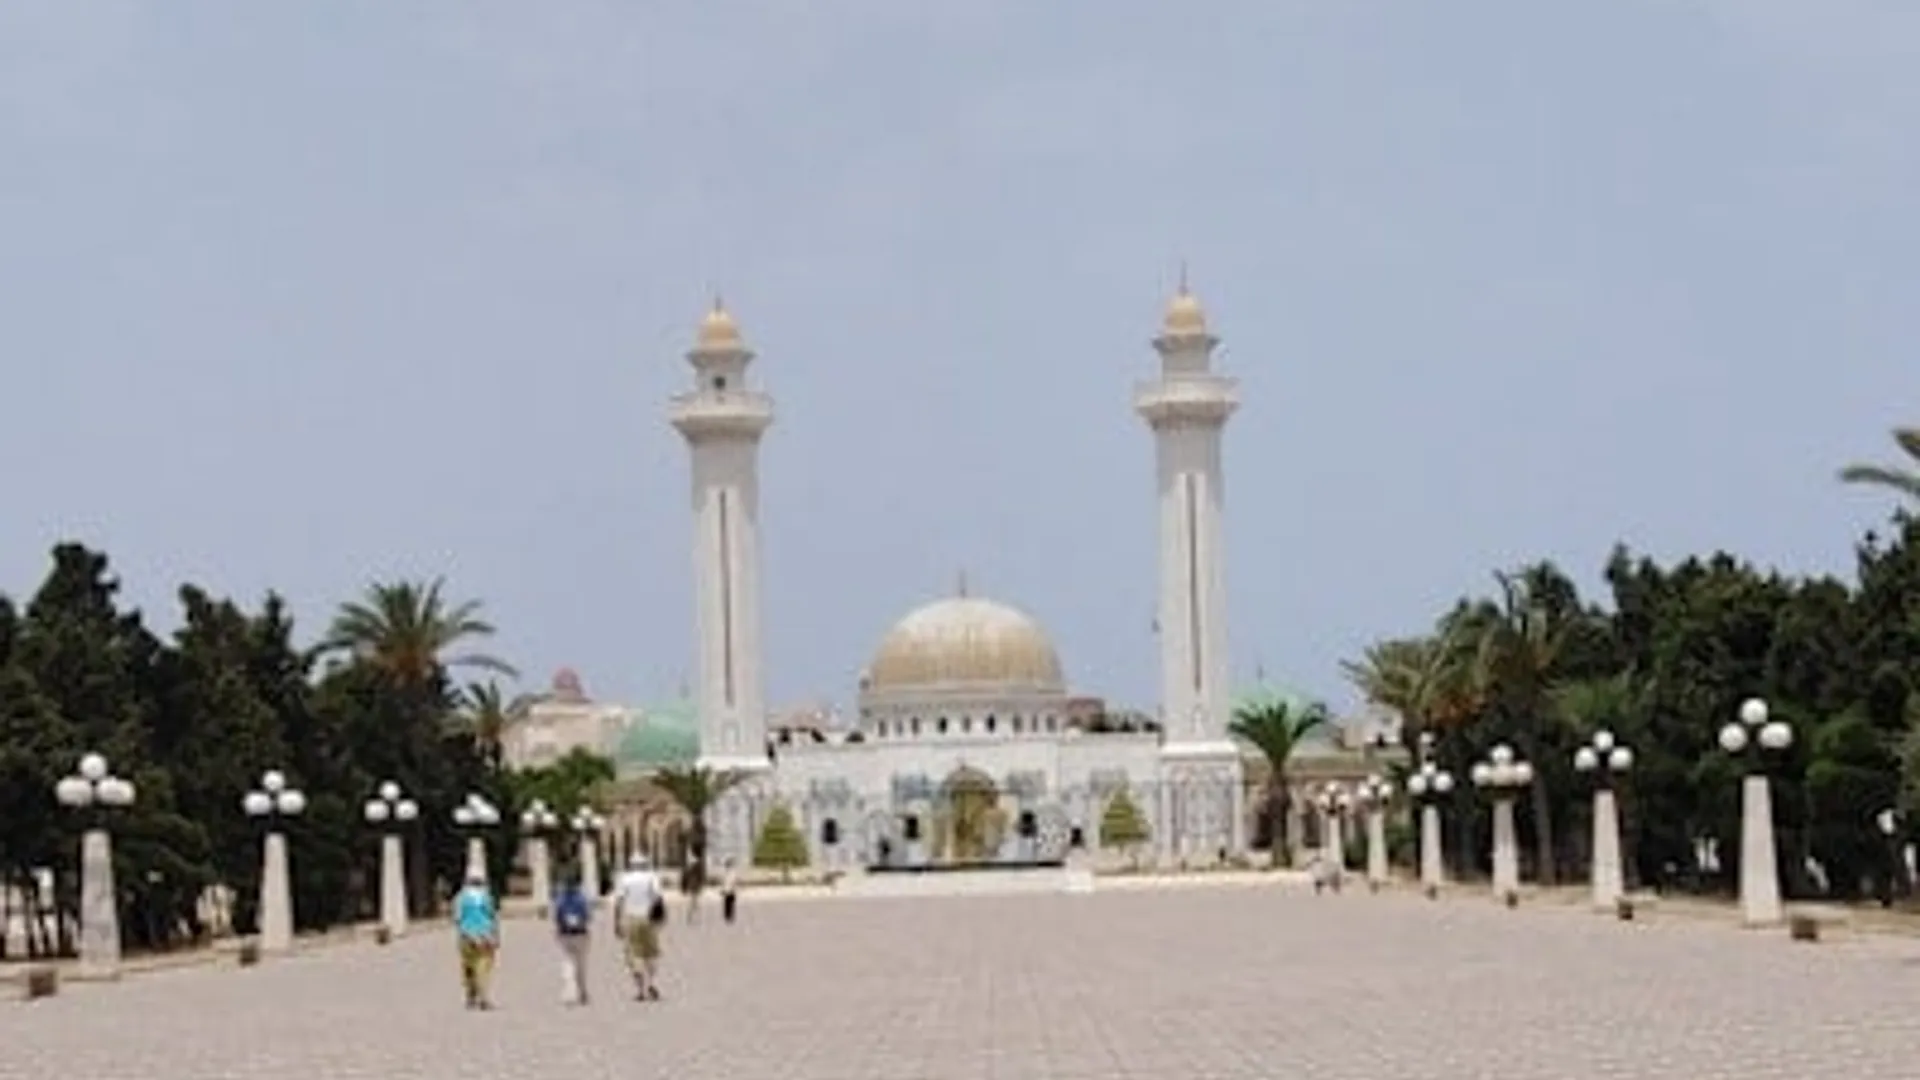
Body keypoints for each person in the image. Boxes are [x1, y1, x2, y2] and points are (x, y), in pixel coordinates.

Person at [612, 854, 665, 1001]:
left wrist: (616, 922)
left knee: (634, 954)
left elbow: (619, 902)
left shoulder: (624, 879)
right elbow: (658, 899)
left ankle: (641, 989)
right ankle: (651, 982)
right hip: (649, 919)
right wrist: (661, 919)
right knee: (651, 953)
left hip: (631, 918)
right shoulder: (652, 878)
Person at [453, 870, 500, 1010]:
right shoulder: (486, 898)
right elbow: (492, 916)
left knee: (468, 966)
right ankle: (483, 997)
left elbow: (457, 918)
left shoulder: (460, 898)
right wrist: (495, 935)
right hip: (485, 935)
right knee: (483, 966)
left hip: (466, 935)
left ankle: (471, 994)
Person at [552, 871, 593, 1006]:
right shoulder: (582, 899)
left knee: (567, 963)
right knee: (581, 965)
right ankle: (582, 992)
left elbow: (557, 917)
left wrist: (558, 930)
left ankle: (569, 993)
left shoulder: (560, 899)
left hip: (565, 934)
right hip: (580, 933)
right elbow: (588, 916)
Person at [720, 857, 739, 924]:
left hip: (730, 890)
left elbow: (733, 882)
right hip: (728, 890)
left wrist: (732, 888)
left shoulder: (731, 873)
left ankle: (729, 916)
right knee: (727, 904)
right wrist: (723, 889)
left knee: (729, 904)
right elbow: (724, 882)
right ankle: (728, 916)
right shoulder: (727, 873)